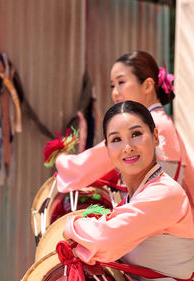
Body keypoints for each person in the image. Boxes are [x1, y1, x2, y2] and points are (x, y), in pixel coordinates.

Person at [64, 101, 194, 280]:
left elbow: (106, 239)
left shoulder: (165, 193)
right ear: (108, 150)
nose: (128, 147)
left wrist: (71, 225)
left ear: (155, 136)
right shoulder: (134, 196)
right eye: (116, 139)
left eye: (136, 134)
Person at [55, 51, 194, 213]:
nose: (115, 92)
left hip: (162, 227)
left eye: (121, 82)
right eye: (112, 85)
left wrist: (62, 160)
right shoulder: (161, 120)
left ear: (148, 85)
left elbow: (84, 166)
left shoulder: (149, 123)